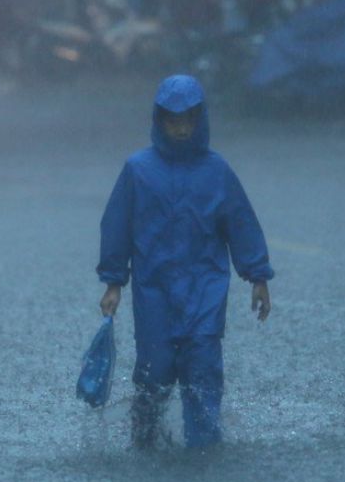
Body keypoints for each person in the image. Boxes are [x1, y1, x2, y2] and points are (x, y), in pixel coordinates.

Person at [97, 74, 274, 449]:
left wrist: (258, 277)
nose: (180, 128)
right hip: (154, 291)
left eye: (187, 120)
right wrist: (114, 282)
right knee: (153, 372)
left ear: (199, 120)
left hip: (205, 290)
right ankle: (144, 441)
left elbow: (241, 223)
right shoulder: (138, 170)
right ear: (159, 120)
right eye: (172, 120)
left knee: (203, 371)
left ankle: (204, 446)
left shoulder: (217, 171)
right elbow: (118, 227)